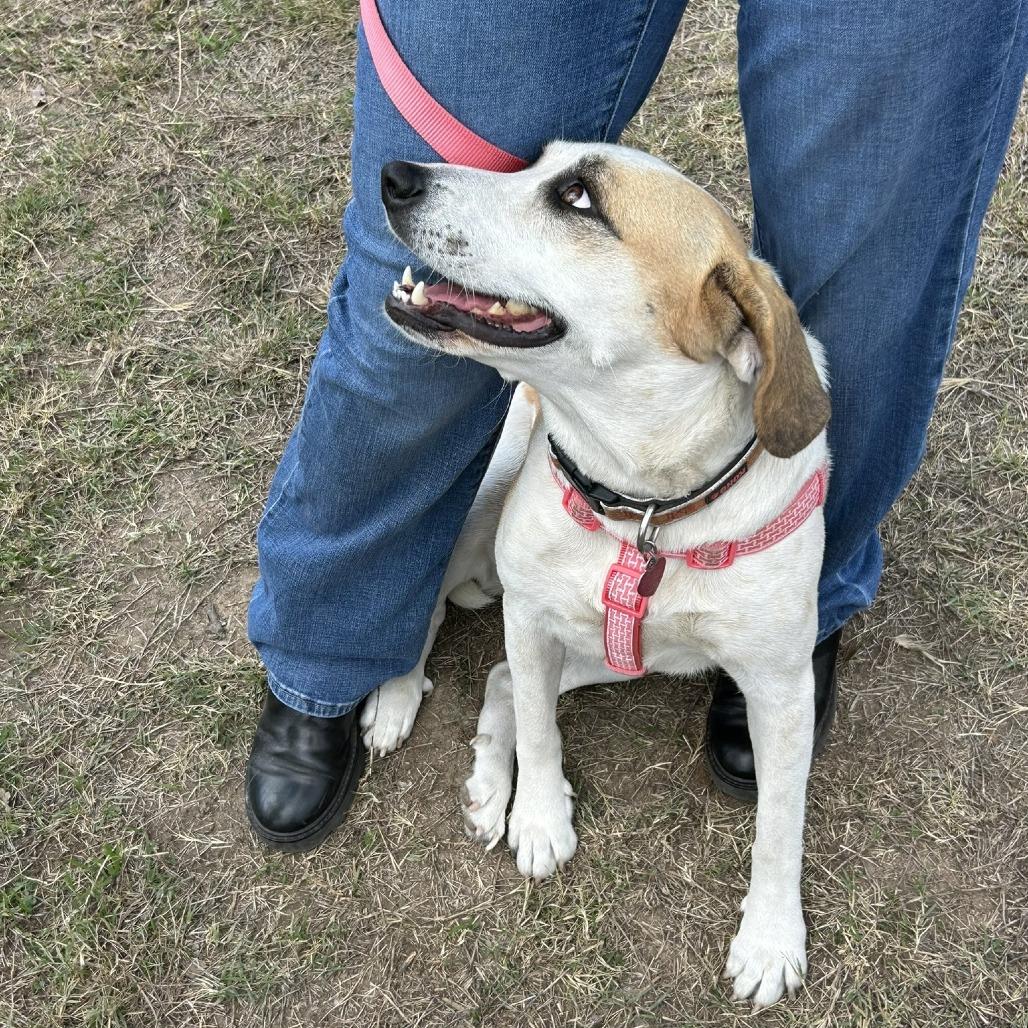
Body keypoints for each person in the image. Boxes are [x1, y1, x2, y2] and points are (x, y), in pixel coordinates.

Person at [243, 0, 1028, 851]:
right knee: (411, 262)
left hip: (720, 487)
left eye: (574, 199)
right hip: (563, 492)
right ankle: (333, 643)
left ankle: (794, 612)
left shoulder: (738, 332)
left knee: (865, 267)